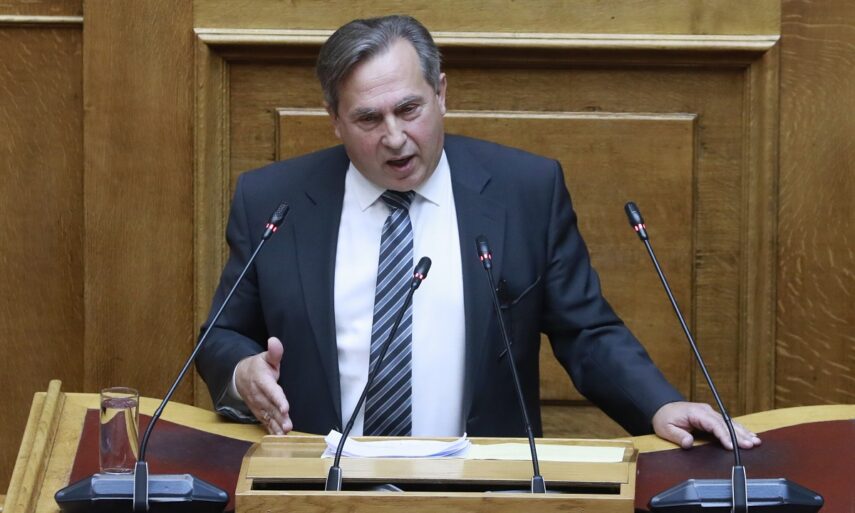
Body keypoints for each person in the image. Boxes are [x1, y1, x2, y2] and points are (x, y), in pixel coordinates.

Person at [196, 14, 761, 451]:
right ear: (335, 120)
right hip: (320, 488)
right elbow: (222, 336)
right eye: (368, 118)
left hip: (483, 486)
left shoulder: (524, 191)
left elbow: (586, 332)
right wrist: (243, 373)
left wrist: (658, 406)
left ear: (442, 93)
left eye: (409, 109)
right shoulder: (275, 201)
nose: (394, 137)